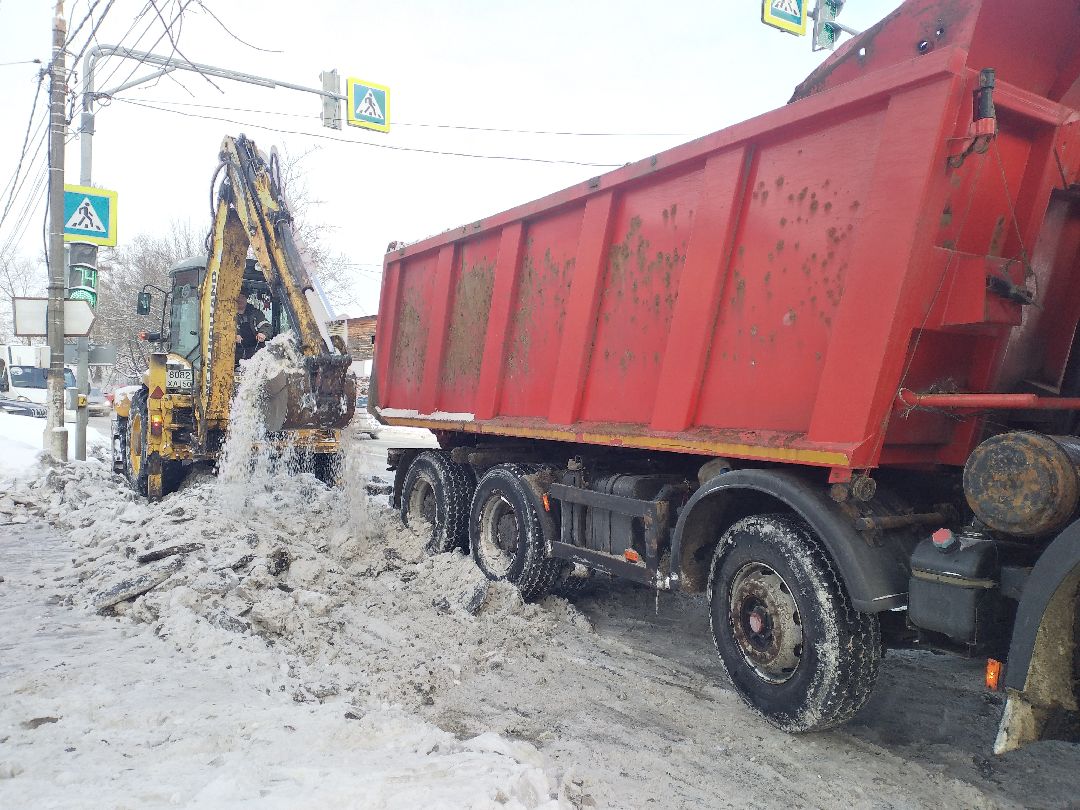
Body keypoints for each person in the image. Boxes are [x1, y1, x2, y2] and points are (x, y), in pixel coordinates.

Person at [235, 290, 271, 360]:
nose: (240, 300)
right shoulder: (227, 314)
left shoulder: (255, 313)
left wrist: (263, 333)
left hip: (255, 352)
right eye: (238, 297)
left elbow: (266, 325)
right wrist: (234, 336)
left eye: (243, 297)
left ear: (246, 298)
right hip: (233, 353)